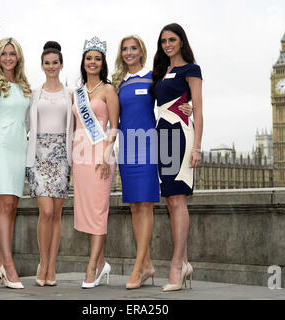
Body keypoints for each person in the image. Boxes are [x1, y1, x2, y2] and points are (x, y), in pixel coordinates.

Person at [112, 35, 194, 290]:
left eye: (133, 48)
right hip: (126, 146)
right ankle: (146, 265)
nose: (129, 52)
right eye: (124, 49)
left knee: (146, 206)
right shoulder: (118, 83)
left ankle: (138, 268)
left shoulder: (153, 78)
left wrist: (186, 107)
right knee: (134, 208)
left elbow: (172, 98)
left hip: (148, 144)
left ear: (142, 51)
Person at [150, 23, 204, 292]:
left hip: (180, 136)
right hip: (161, 136)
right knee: (170, 201)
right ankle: (184, 261)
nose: (167, 44)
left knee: (178, 199)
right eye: (163, 41)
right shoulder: (161, 71)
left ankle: (176, 265)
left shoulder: (191, 70)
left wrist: (197, 147)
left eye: (172, 39)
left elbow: (199, 110)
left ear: (182, 41)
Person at [0, 37, 31, 289]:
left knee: (12, 205)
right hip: (1, 145)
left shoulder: (24, 85)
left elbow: (22, 116)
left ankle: (2, 264)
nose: (8, 58)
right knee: (5, 204)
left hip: (19, 146)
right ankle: (9, 266)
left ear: (18, 57)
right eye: (4, 54)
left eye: (12, 54)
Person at [72, 36, 119, 288]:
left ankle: (92, 268)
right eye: (89, 58)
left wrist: (107, 152)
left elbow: (114, 125)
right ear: (83, 61)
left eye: (97, 59)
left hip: (101, 154)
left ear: (103, 63)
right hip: (80, 157)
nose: (92, 62)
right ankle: (102, 263)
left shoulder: (108, 90)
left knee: (99, 210)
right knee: (89, 212)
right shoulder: (77, 93)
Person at [26, 41, 74, 286]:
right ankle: (42, 263)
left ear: (61, 64)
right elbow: (22, 123)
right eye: (47, 63)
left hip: (62, 155)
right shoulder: (35, 93)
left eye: (56, 62)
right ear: (42, 65)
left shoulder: (71, 94)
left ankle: (51, 268)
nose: (52, 66)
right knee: (45, 212)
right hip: (38, 155)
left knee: (56, 214)